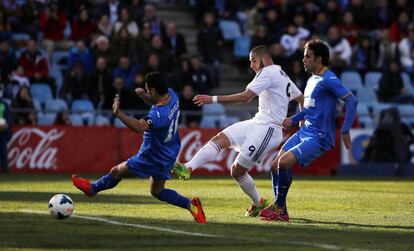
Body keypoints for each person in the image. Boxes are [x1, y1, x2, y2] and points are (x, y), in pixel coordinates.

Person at [173, 45, 304, 217]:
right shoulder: (282, 74)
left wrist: (212, 99)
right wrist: (301, 122)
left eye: (253, 61)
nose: (251, 65)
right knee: (221, 138)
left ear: (263, 59)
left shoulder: (268, 72)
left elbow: (245, 97)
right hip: (258, 122)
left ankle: (259, 203)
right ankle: (188, 167)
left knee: (237, 170)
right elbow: (301, 98)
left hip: (269, 130)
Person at [72, 72, 206, 224]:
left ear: (154, 91)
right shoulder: (172, 95)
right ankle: (191, 206)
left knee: (116, 172)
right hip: (170, 151)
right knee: (157, 191)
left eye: (147, 89)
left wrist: (118, 113)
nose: (147, 90)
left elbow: (139, 127)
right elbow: (155, 102)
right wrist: (144, 96)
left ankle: (93, 189)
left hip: (151, 157)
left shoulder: (158, 115)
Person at [259, 39, 358, 221]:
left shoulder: (329, 79)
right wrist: (294, 119)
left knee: (285, 163)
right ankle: (281, 209)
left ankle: (279, 208)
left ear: (319, 59)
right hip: (306, 131)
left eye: (307, 56)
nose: (303, 60)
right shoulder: (312, 79)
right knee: (274, 165)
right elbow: (310, 110)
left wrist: (345, 129)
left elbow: (352, 100)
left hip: (320, 135)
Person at [0, 83, 12, 174]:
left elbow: (9, 118)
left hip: (1, 131)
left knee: (3, 150)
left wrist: (6, 124)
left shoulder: (4, 104)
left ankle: (5, 170)